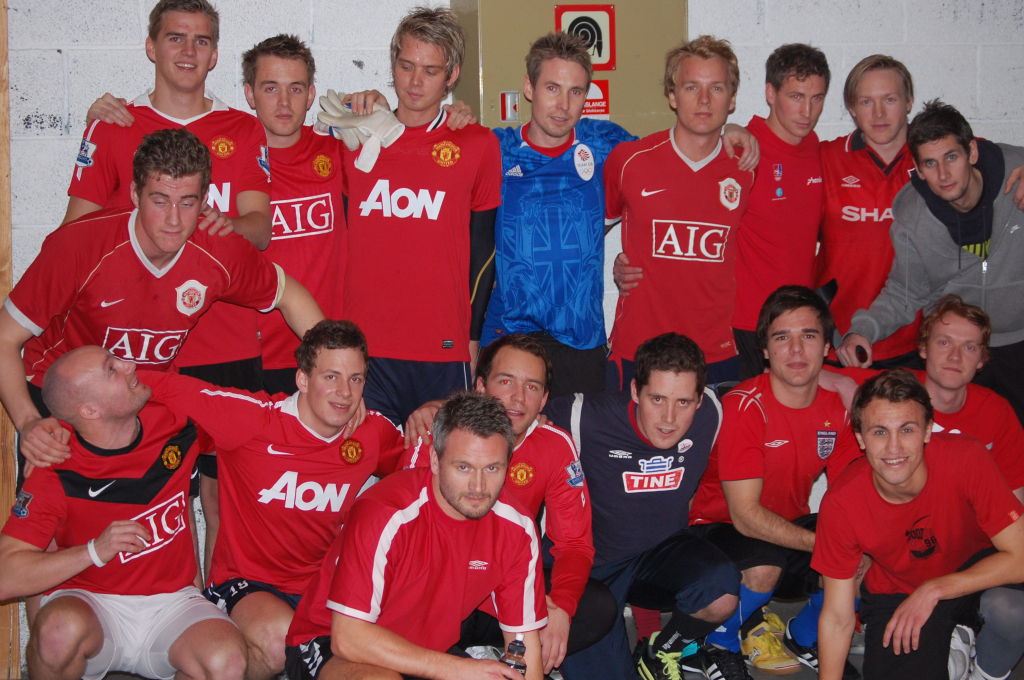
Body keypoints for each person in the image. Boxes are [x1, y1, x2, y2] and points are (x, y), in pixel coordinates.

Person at [65, 0, 274, 581]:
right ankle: (152, 612)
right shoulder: (113, 125)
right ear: (151, 46)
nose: (188, 51)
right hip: (142, 352)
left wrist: (223, 229)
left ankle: (216, 614)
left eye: (202, 40)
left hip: (228, 345)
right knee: (153, 500)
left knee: (222, 500)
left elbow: (260, 228)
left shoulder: (241, 128)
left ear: (215, 54)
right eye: (176, 38)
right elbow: (73, 233)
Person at [0, 128, 322, 480]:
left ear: (205, 199)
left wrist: (333, 373)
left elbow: (291, 296)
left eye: (187, 202)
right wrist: (27, 421)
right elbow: (5, 337)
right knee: (56, 508)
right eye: (159, 201)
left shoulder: (218, 248)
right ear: (135, 194)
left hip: (143, 396)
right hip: (65, 401)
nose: (173, 219)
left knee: (163, 506)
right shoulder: (79, 246)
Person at [483, 33, 758, 397]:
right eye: (552, 88)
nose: (563, 105)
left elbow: (674, 153)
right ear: (529, 88)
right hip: (508, 332)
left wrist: (729, 130)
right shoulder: (494, 149)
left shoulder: (608, 145)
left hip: (582, 340)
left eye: (576, 91)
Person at [138, 320, 405, 680]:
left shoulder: (371, 433)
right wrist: (62, 419)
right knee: (278, 642)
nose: (345, 392)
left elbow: (427, 465)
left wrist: (431, 415)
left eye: (355, 379)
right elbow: (162, 386)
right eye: (331, 377)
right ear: (302, 380)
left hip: (321, 586)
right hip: (244, 581)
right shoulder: (253, 418)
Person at [0, 346, 245, 680]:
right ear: (89, 410)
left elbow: (252, 431)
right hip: (91, 604)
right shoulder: (54, 464)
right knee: (56, 634)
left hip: (171, 603)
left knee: (227, 660)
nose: (131, 365)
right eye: (112, 369)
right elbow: (6, 576)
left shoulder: (177, 422)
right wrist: (94, 551)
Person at [285, 391, 548, 680]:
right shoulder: (384, 513)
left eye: (492, 468)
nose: (478, 486)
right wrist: (459, 669)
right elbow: (347, 638)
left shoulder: (518, 529)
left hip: (426, 653)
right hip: (333, 642)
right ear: (435, 460)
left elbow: (523, 646)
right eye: (463, 467)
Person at [401, 333, 615, 675]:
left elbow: (574, 544)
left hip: (505, 586)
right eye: (506, 381)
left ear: (544, 399)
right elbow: (411, 552)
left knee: (596, 606)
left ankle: (497, 652)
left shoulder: (555, 444)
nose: (518, 397)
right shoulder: (437, 437)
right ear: (480, 387)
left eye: (532, 386)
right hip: (440, 592)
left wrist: (561, 608)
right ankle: (474, 659)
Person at [333, 7, 502, 427]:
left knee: (438, 463)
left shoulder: (477, 144)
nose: (414, 82)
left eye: (430, 71)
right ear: (393, 64)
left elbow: (484, 249)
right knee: (363, 462)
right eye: (406, 66)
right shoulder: (352, 136)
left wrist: (471, 338)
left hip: (440, 350)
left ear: (452, 75)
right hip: (363, 348)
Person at [539, 333, 739, 680]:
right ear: (634, 391)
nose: (669, 418)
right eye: (657, 398)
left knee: (721, 591)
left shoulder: (712, 412)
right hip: (590, 568)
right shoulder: (582, 416)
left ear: (699, 400)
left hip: (659, 551)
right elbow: (509, 415)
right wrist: (442, 409)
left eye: (683, 402)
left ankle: (661, 652)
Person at [688, 286, 863, 678]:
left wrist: (856, 545)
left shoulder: (839, 409)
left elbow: (850, 497)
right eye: (782, 337)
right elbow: (745, 516)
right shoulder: (745, 405)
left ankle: (806, 635)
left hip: (786, 526)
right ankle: (715, 642)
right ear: (765, 349)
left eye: (809, 336)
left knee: (862, 546)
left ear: (827, 347)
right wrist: (825, 546)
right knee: (765, 565)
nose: (796, 349)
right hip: (718, 527)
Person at [815, 369, 1024, 680]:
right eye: (880, 432)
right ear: (860, 438)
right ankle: (948, 648)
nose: (894, 447)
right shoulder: (841, 502)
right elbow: (836, 618)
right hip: (899, 593)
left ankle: (983, 669)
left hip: (976, 576)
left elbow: (1021, 558)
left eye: (907, 430)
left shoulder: (967, 456)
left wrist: (935, 588)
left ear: (928, 430)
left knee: (1013, 611)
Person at [837, 100, 1024, 424]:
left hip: (1018, 341)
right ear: (919, 169)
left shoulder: (1016, 175)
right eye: (930, 163)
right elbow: (905, 292)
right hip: (955, 353)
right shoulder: (913, 216)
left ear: (972, 152)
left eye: (951, 157)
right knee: (959, 447)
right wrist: (862, 331)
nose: (943, 174)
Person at [604, 36, 755, 390]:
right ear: (673, 96)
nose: (704, 100)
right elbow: (587, 237)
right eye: (691, 87)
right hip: (637, 349)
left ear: (732, 99)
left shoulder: (747, 166)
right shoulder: (629, 161)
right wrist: (615, 267)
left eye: (716, 87)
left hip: (714, 354)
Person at [821, 294, 1024, 503]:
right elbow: (802, 372)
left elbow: (1014, 500)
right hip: (877, 513)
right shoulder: (889, 386)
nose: (955, 356)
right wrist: (841, 382)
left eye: (969, 347)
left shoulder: (996, 411)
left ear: (982, 360)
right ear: (924, 349)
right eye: (944, 342)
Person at [814, 55, 924, 369]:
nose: (878, 113)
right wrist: (740, 133)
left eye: (889, 99)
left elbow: (987, 155)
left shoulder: (934, 159)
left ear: (908, 102)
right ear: (851, 108)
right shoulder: (826, 158)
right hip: (837, 342)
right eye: (866, 101)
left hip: (913, 343)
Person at [730, 44, 829, 380]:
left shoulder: (816, 148)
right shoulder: (741, 150)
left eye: (817, 98)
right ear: (770, 93)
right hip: (745, 325)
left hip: (798, 326)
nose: (807, 111)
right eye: (796, 96)